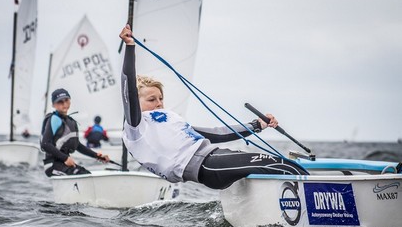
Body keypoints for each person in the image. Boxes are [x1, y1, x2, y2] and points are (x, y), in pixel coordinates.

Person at [119, 24, 308, 190]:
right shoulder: (136, 127)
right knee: (282, 166)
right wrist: (130, 47)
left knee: (286, 165)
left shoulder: (168, 121)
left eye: (161, 98)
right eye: (152, 99)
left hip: (215, 158)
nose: (159, 103)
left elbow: (217, 133)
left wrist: (257, 125)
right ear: (136, 101)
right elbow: (129, 88)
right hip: (206, 167)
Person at [40, 88, 110, 177]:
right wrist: (65, 158)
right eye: (60, 102)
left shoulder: (71, 121)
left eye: (66, 100)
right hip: (53, 166)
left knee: (87, 174)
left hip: (64, 163)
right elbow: (45, 144)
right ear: (54, 105)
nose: (64, 104)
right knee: (82, 175)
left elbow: (78, 146)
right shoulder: (54, 119)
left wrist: (97, 156)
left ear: (70, 101)